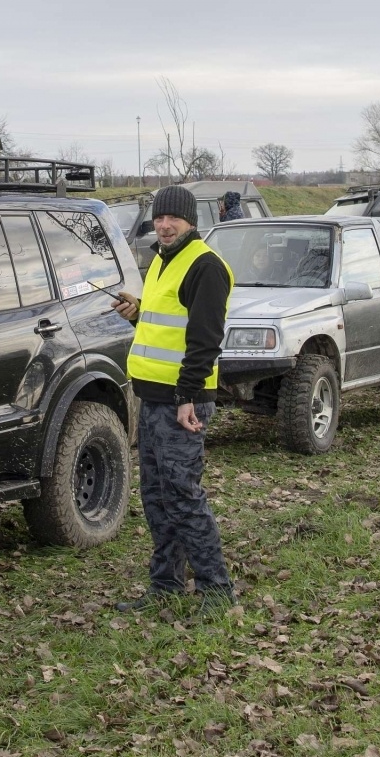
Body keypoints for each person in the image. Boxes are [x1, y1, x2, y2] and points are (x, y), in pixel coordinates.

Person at [110, 185, 236, 614]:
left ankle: (216, 589)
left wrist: (186, 397)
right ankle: (164, 586)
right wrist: (138, 313)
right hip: (152, 399)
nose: (164, 226)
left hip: (182, 403)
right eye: (159, 219)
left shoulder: (205, 266)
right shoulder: (163, 261)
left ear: (191, 221)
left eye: (173, 219)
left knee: (183, 496)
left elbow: (204, 341)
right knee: (157, 497)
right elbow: (168, 328)